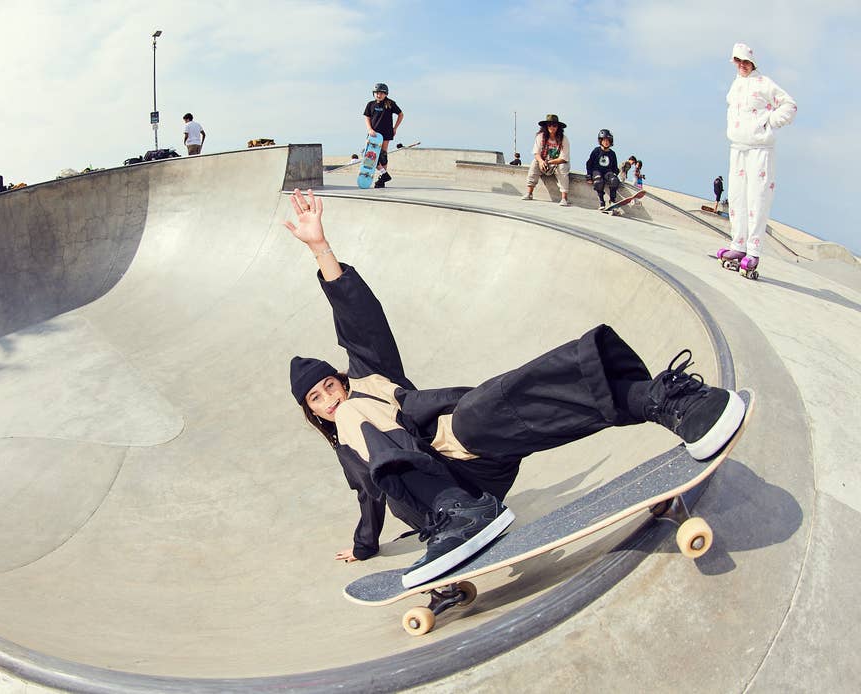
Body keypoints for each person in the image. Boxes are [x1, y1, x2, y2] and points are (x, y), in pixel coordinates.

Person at [284, 189, 748, 588]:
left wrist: (320, 248)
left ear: (343, 378)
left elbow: (361, 320)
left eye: (331, 385)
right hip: (443, 499)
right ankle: (456, 513)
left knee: (496, 402)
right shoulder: (349, 443)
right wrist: (363, 549)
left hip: (469, 454)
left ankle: (663, 400)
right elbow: (370, 500)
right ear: (312, 412)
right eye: (318, 400)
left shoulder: (372, 377)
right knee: (359, 425)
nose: (332, 399)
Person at [716, 43, 797, 275]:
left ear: (753, 63)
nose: (742, 65)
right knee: (737, 197)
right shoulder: (735, 84)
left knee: (757, 198)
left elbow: (790, 105)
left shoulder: (764, 83)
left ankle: (753, 251)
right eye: (738, 61)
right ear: (734, 61)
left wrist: (769, 122)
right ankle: (738, 245)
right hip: (738, 147)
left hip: (760, 149)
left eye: (746, 62)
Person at [522, 115, 571, 206]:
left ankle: (564, 198)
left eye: (554, 125)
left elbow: (563, 158)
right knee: (534, 163)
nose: (552, 127)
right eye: (549, 125)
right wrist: (541, 161)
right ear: (546, 126)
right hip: (543, 162)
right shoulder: (540, 137)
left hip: (557, 163)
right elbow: (536, 153)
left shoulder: (563, 139)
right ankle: (529, 193)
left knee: (563, 167)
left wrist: (549, 162)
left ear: (558, 127)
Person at [363, 83, 403, 188]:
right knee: (369, 155)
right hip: (373, 133)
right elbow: (367, 117)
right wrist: (369, 129)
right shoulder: (370, 104)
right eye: (376, 93)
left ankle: (382, 179)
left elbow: (401, 114)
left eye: (381, 93)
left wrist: (395, 128)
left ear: (385, 94)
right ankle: (384, 173)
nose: (378, 95)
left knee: (382, 155)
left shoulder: (390, 103)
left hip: (386, 132)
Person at [586, 129, 621, 210]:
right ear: (600, 141)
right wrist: (589, 175)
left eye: (608, 140)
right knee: (598, 181)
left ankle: (612, 200)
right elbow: (589, 163)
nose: (606, 142)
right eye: (604, 140)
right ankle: (602, 202)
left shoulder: (612, 153)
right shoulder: (596, 151)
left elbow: (615, 167)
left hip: (607, 172)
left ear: (611, 142)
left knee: (614, 180)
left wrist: (615, 174)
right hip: (596, 170)